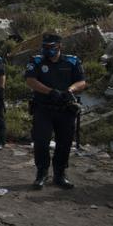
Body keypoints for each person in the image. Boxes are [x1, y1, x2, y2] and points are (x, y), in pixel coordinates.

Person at [25, 34, 86, 190]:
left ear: (59, 46)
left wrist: (70, 90)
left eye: (51, 47)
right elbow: (31, 81)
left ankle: (60, 175)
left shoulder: (72, 61)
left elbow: (82, 82)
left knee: (64, 143)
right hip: (43, 108)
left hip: (65, 110)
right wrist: (50, 92)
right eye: (45, 47)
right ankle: (42, 174)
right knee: (41, 142)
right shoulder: (36, 61)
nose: (47, 50)